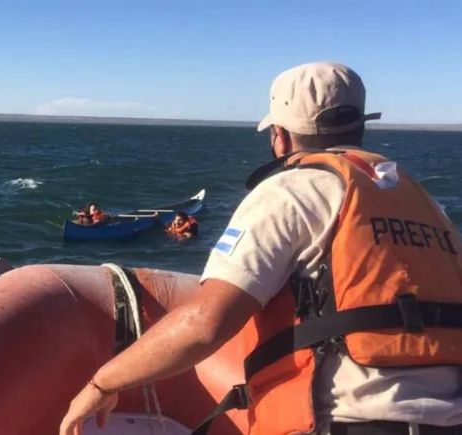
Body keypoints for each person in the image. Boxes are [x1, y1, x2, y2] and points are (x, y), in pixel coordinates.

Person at [60, 62, 462, 435]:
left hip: (346, 421)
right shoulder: (428, 206)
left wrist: (101, 383)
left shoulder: (292, 190)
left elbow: (206, 323)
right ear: (359, 126)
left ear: (280, 136)